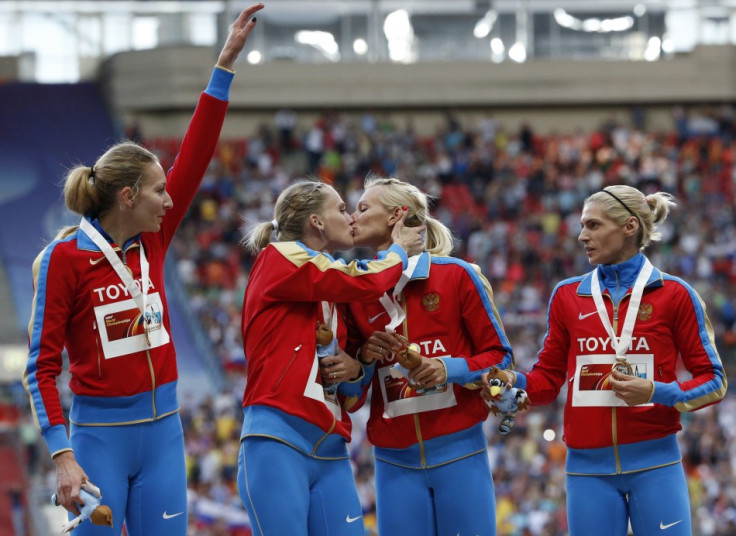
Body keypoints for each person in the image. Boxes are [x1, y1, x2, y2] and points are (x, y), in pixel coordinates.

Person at [22, 5, 264, 535]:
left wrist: (223, 66)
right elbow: (40, 368)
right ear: (128, 196)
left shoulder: (152, 240)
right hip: (97, 442)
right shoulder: (67, 260)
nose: (169, 197)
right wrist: (62, 455)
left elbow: (196, 155)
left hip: (163, 436)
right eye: (158, 190)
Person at [484, 185, 727, 536]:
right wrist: (513, 383)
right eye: (583, 226)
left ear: (629, 226)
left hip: (656, 464)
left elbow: (714, 381)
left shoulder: (676, 294)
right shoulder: (567, 295)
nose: (582, 236)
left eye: (593, 226)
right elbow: (547, 380)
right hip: (587, 471)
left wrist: (657, 392)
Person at [238, 179, 424, 536]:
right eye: (341, 209)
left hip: (330, 444)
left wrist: (357, 367)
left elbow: (352, 397)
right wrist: (397, 250)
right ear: (316, 222)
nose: (351, 217)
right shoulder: (280, 257)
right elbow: (363, 280)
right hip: (279, 437)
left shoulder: (330, 292)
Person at [346, 176, 514, 536]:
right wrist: (361, 359)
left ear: (397, 216)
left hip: (460, 451)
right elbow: (352, 396)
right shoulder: (356, 290)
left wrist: (447, 368)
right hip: (393, 461)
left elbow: (501, 358)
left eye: (363, 208)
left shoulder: (457, 275)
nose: (352, 218)